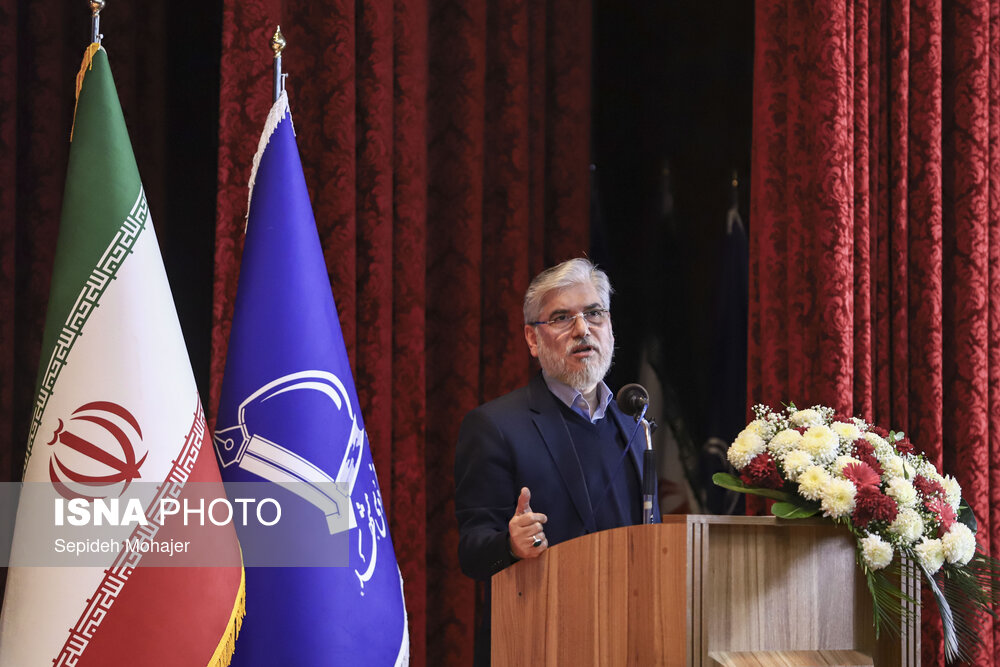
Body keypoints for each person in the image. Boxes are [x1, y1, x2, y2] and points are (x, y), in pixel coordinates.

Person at [454, 257, 658, 666]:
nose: (583, 329)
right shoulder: (495, 426)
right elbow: (472, 552)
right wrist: (510, 544)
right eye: (562, 318)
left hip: (626, 639)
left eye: (594, 313)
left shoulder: (635, 426)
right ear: (532, 339)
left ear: (610, 326)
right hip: (535, 641)